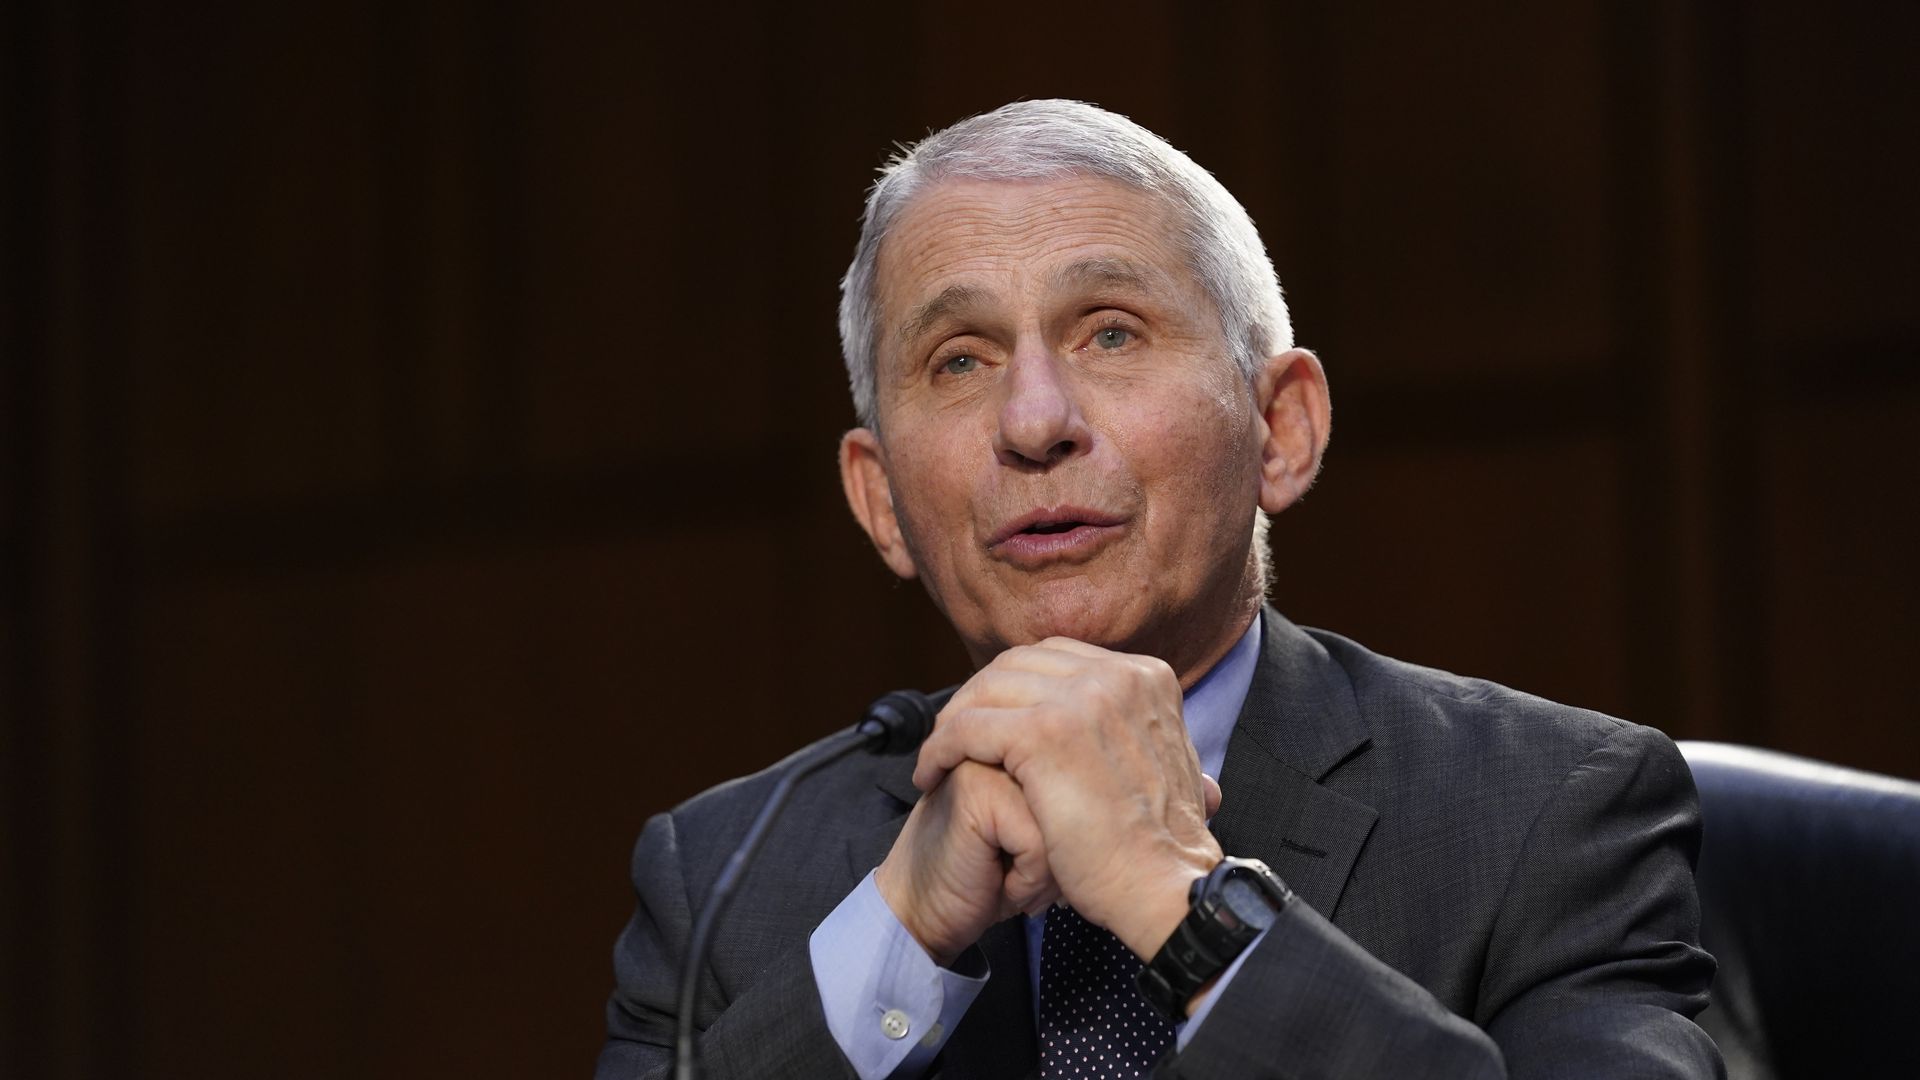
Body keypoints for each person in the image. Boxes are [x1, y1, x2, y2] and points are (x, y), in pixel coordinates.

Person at [596, 100, 1722, 1079]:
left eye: (1112, 333)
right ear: (882, 498)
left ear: (1281, 429)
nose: (1035, 422)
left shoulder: (1545, 814)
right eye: (960, 360)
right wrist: (898, 940)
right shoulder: (726, 883)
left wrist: (1177, 899)